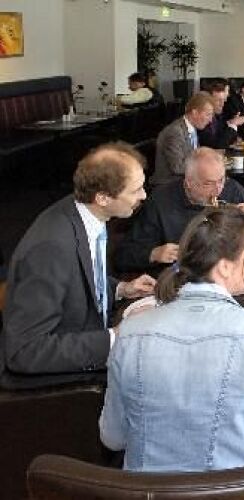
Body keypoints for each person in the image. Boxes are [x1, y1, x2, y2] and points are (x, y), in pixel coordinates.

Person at [100, 205, 244, 471]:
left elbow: (113, 438)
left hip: (148, 489)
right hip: (232, 488)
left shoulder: (130, 332)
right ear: (224, 267)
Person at [0, 143, 157, 389]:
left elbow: (77, 278)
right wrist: (115, 338)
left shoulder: (87, 212)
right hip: (57, 382)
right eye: (136, 190)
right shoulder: (51, 249)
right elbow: (24, 351)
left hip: (87, 336)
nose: (144, 196)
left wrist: (120, 289)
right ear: (103, 198)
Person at [114, 147, 244, 274]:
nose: (218, 189)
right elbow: (124, 255)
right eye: (208, 183)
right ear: (189, 183)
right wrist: (154, 254)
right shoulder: (161, 201)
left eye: (221, 180)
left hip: (228, 274)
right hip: (182, 278)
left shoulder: (232, 190)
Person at [151, 92, 215, 187]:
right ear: (195, 112)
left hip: (186, 180)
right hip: (170, 184)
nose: (210, 120)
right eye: (208, 115)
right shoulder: (175, 132)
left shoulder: (191, 128)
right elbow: (177, 167)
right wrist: (205, 165)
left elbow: (194, 156)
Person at [198, 80, 244, 150]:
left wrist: (231, 124)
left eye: (223, 100)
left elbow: (222, 135)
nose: (222, 104)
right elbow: (217, 145)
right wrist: (233, 124)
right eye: (218, 100)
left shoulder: (218, 116)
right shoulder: (202, 118)